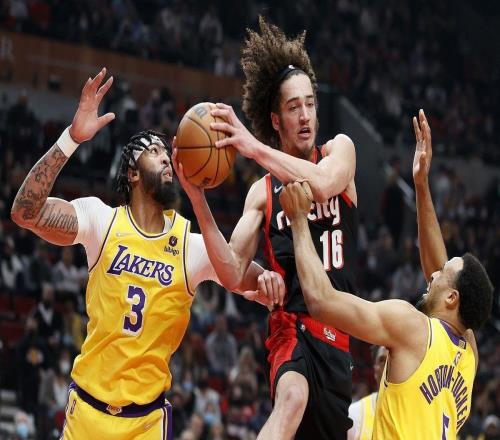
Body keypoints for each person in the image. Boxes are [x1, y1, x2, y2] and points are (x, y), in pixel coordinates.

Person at [11, 68, 284, 439]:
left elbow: (244, 276)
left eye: (166, 152)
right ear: (133, 174)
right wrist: (71, 138)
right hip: (87, 414)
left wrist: (268, 280)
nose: (166, 158)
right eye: (153, 151)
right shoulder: (100, 221)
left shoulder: (189, 245)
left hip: (146, 422)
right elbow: (25, 212)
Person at [173, 16, 358, 440]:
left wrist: (252, 147)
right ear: (276, 120)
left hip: (339, 337)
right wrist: (198, 200)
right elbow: (231, 272)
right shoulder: (261, 192)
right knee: (292, 399)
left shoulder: (339, 152)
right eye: (293, 107)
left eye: (310, 104)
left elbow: (321, 184)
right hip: (291, 328)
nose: (305, 116)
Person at [278, 109, 494, 439]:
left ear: (452, 298)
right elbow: (438, 268)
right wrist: (421, 185)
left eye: (442, 274)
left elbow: (321, 301)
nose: (433, 275)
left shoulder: (413, 327)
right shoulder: (469, 355)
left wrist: (298, 221)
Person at [347, 346, 388, 440]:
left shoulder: (418, 413)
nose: (387, 366)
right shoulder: (354, 414)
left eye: (393, 361)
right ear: (375, 370)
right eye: (383, 361)